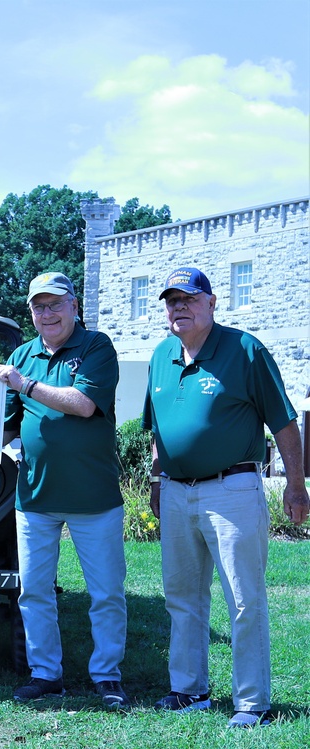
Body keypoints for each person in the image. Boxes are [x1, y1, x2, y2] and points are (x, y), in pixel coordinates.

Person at [0, 272, 128, 708]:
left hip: (93, 498)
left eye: (55, 304)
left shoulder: (96, 346)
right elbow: (7, 424)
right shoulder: (22, 353)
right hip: (34, 497)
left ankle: (107, 676)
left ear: (74, 306)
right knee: (34, 591)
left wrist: (23, 383)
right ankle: (46, 674)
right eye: (38, 307)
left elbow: (83, 405)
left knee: (106, 593)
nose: (47, 314)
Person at [143, 266, 309, 729]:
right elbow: (156, 430)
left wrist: (296, 486)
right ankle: (188, 690)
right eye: (172, 300)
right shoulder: (160, 355)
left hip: (232, 489)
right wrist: (156, 482)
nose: (180, 307)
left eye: (190, 298)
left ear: (212, 303)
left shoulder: (244, 349)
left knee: (243, 597)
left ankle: (252, 702)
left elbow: (284, 423)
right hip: (176, 491)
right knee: (181, 596)